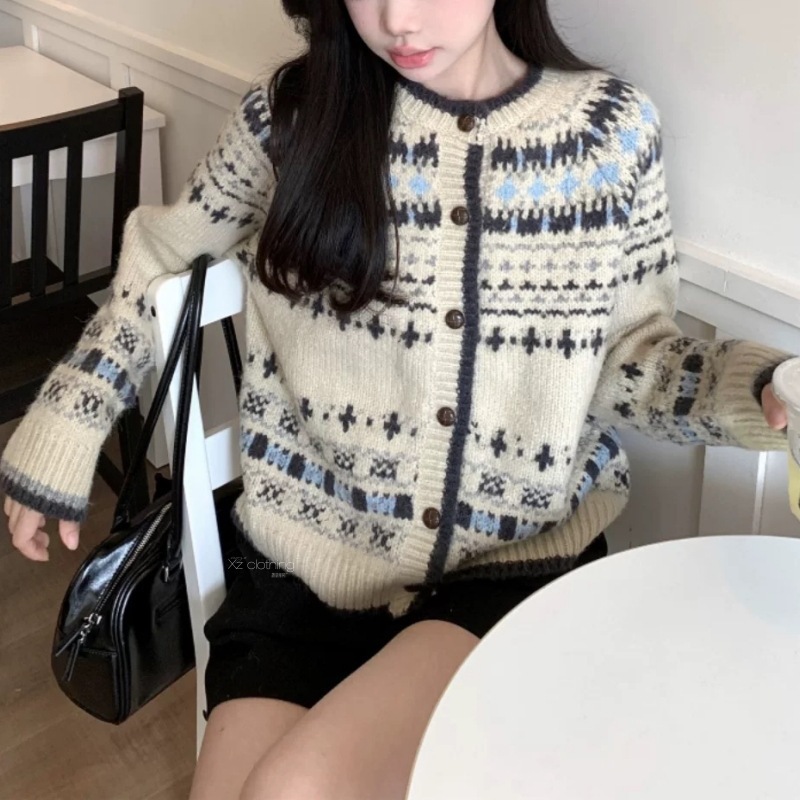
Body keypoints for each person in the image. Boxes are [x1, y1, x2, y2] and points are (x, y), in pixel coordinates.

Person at [1, 0, 791, 797]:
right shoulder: (292, 118)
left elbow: (634, 357)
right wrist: (69, 417)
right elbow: (161, 255)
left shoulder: (606, 135)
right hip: (301, 565)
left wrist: (759, 389)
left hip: (511, 563)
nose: (397, 18)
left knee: (293, 788)